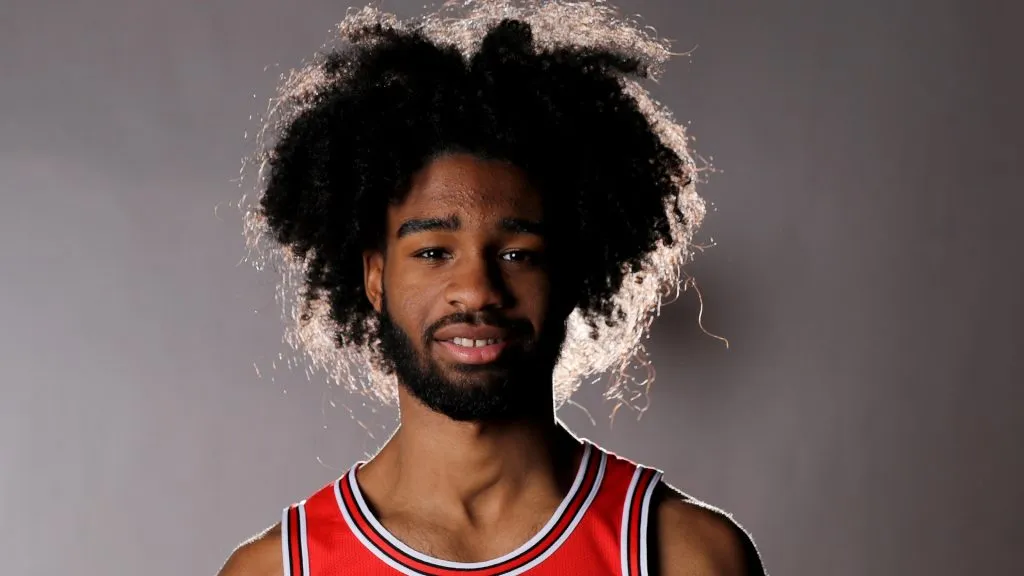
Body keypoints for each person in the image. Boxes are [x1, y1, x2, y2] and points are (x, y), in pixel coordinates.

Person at [220, 2, 765, 574]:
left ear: (572, 274)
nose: (477, 291)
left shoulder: (685, 556)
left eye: (516, 254)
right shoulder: (279, 569)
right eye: (432, 253)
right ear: (375, 277)